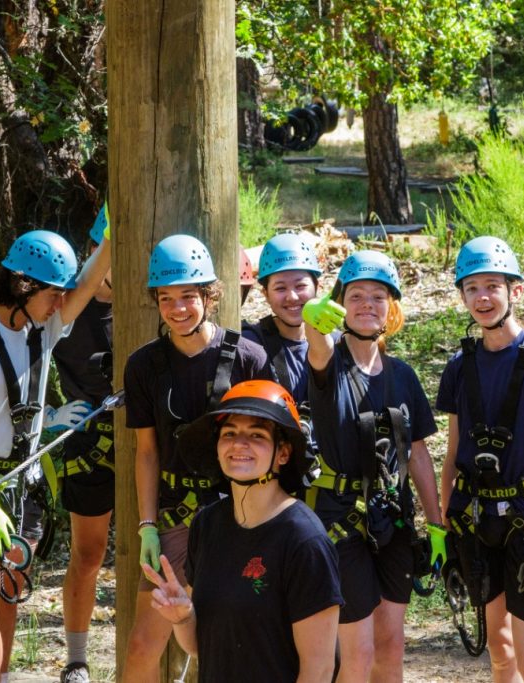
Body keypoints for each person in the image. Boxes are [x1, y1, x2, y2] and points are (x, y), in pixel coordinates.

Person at [0, 227, 111, 683]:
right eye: (53, 294)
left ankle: (1, 676)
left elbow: (90, 284)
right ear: (22, 287)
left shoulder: (45, 329)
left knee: (9, 587)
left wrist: (110, 233)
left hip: (27, 482)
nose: (61, 304)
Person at [121, 234, 270, 682]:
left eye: (188, 295)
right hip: (176, 518)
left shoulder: (248, 357)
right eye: (166, 298)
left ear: (209, 294)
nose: (178, 308)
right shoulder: (145, 365)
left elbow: (272, 447)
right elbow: (146, 451)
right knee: (144, 643)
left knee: (233, 641)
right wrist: (148, 525)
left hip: (240, 516)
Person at [301, 250, 446, 683]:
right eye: (356, 295)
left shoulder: (403, 375)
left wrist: (435, 525)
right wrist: (312, 317)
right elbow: (316, 341)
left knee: (391, 647)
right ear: (340, 302)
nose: (367, 303)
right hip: (341, 522)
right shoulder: (330, 360)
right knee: (357, 655)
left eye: (378, 296)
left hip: (393, 522)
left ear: (391, 308)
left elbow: (417, 452)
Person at [436, 236, 524, 683]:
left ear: (515, 291)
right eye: (472, 287)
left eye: (492, 286)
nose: (482, 297)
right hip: (477, 523)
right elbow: (453, 453)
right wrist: (446, 525)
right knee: (500, 651)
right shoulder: (460, 366)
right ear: (462, 296)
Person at [145, 379, 342, 683]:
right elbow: (200, 647)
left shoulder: (304, 541)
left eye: (257, 434)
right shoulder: (207, 524)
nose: (239, 443)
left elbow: (319, 669)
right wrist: (183, 617)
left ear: (283, 453)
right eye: (230, 433)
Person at [49, 204, 115, 683]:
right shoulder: (67, 302)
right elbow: (19, 354)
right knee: (89, 554)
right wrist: (48, 416)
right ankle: (76, 659)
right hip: (89, 438)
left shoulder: (156, 295)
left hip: (147, 434)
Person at [242, 232, 325, 405]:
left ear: (317, 287)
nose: (292, 296)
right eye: (280, 288)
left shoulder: (335, 343)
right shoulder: (250, 344)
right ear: (265, 294)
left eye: (300, 286)